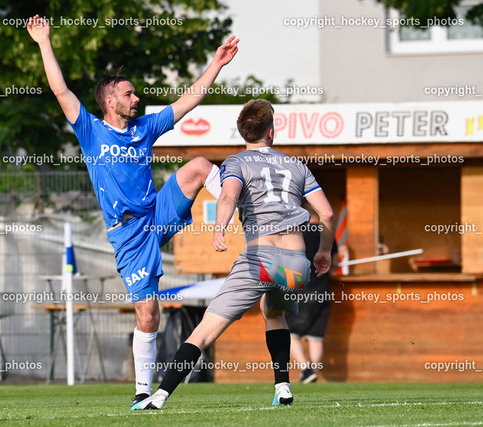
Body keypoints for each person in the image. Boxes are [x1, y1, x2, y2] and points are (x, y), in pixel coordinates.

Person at [26, 16, 239, 406]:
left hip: (156, 212)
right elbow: (60, 90)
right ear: (110, 101)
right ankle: (143, 391)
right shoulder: (91, 130)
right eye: (128, 94)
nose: (136, 98)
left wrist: (217, 64)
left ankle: (241, 208)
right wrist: (43, 41)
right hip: (128, 234)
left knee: (200, 165)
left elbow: (189, 99)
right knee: (148, 313)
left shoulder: (145, 128)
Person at [132, 99, 335, 410]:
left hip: (260, 258)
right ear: (272, 132)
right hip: (296, 264)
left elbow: (227, 195)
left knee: (204, 331)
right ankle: (282, 387)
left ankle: (158, 397)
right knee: (274, 312)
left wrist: (218, 228)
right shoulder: (297, 166)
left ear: (243, 132)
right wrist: (322, 251)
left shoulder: (237, 162)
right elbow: (328, 214)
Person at [282, 201, 337, 384]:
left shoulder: (296, 233)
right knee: (315, 336)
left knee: (290, 333)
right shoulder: (326, 234)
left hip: (301, 290)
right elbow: (333, 263)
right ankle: (312, 372)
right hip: (323, 290)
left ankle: (306, 370)